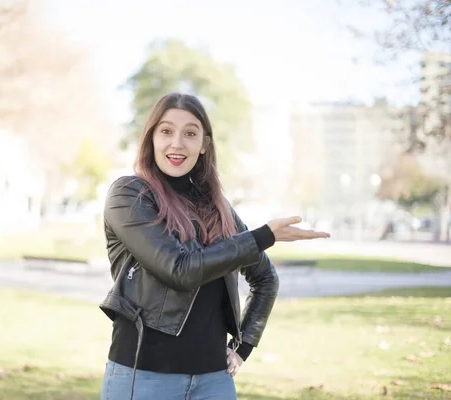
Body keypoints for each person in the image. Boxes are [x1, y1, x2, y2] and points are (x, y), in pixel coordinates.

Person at [99, 93, 330, 400]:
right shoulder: (130, 195)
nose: (177, 143)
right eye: (166, 131)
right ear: (151, 138)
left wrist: (243, 347)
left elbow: (265, 278)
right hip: (144, 377)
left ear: (204, 145)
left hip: (213, 382)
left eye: (190, 133)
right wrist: (263, 237)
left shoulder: (218, 209)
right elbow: (178, 269)